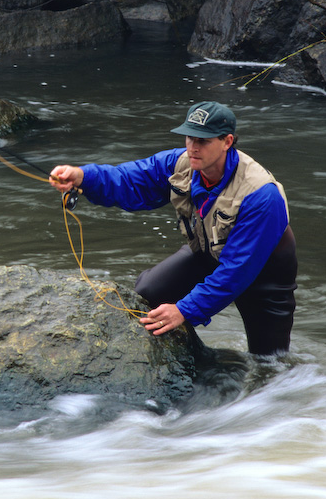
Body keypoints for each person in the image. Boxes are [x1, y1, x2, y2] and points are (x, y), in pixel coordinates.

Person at [49, 100, 297, 356]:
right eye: (190, 138)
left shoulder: (261, 195)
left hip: (264, 277)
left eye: (203, 140)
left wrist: (183, 310)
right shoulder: (180, 164)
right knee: (147, 295)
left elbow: (238, 271)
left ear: (227, 141)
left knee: (269, 361)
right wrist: (83, 177)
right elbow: (130, 180)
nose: (193, 147)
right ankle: (193, 359)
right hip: (207, 252)